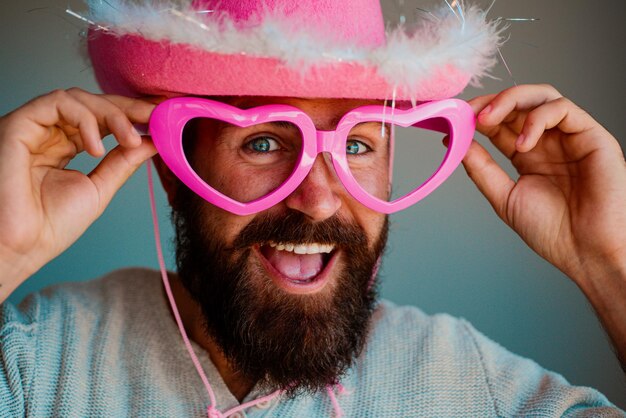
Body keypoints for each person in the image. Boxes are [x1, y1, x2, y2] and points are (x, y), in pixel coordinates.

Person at [1, 0, 625, 416]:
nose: (320, 198)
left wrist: (610, 262)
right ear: (173, 169)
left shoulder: (465, 382)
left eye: (356, 144)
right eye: (264, 142)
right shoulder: (40, 362)